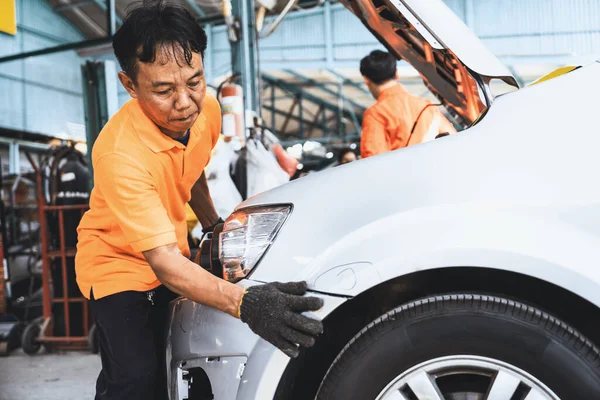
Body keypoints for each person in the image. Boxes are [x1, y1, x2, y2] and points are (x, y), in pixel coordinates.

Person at [74, 2, 323, 399]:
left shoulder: (206, 110)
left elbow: (191, 172)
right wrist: (247, 304)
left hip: (170, 254)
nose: (184, 101)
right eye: (163, 90)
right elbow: (166, 264)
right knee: (135, 381)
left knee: (178, 363)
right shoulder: (119, 153)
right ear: (129, 84)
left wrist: (213, 226)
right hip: (117, 266)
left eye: (194, 81)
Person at [359, 50, 457, 158]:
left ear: (366, 80)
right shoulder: (427, 107)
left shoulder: (375, 114)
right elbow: (454, 142)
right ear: (397, 74)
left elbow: (372, 162)